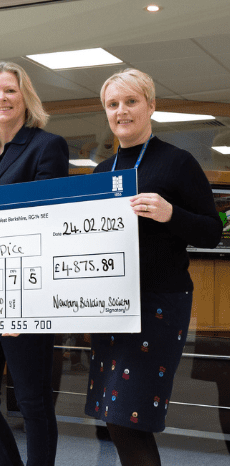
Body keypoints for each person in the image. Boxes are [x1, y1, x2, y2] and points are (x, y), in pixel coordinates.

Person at [84, 68, 223, 466]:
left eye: (131, 101)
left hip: (158, 305)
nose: (121, 111)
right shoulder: (101, 171)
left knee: (131, 420)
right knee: (114, 419)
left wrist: (170, 213)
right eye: (113, 104)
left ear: (151, 106)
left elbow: (212, 231)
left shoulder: (177, 163)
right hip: (110, 305)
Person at [0, 61, 69, 466]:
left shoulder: (47, 146)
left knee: (32, 403)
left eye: (9, 91)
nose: (1, 99)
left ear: (26, 98)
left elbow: (46, 220)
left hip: (26, 293)